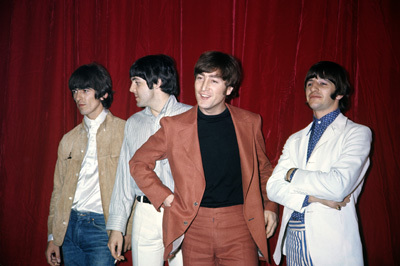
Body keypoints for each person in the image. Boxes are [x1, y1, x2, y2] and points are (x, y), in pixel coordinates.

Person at [129, 51, 278, 265]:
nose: (203, 87)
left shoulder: (249, 122)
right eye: (200, 78)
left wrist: (270, 207)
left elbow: (263, 171)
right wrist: (166, 197)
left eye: (213, 80)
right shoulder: (174, 126)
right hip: (193, 226)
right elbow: (138, 163)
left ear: (229, 88)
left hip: (239, 224)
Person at [267, 61, 372, 266]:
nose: (314, 88)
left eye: (323, 83)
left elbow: (337, 187)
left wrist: (291, 174)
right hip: (294, 242)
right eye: (310, 83)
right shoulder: (295, 138)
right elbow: (272, 188)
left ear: (340, 92)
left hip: (331, 245)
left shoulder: (357, 133)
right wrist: (314, 198)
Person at [106, 54, 191, 266]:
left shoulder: (192, 118)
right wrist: (117, 227)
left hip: (183, 214)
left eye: (136, 82)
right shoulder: (133, 123)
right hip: (144, 214)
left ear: (158, 82)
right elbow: (125, 177)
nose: (130, 89)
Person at [45, 63, 132, 266]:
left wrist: (127, 231)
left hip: (103, 228)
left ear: (103, 94)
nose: (78, 97)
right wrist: (53, 237)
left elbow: (134, 186)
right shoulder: (69, 139)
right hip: (69, 226)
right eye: (75, 91)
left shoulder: (125, 131)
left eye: (85, 90)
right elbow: (57, 191)